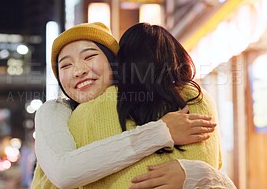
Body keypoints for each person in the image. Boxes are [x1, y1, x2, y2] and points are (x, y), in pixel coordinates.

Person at [32, 22, 235, 188]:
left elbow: (214, 167)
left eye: (90, 56)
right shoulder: (55, 111)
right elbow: (63, 172)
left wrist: (205, 175)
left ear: (115, 63)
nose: (78, 71)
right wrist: (161, 132)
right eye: (65, 65)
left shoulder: (134, 106)